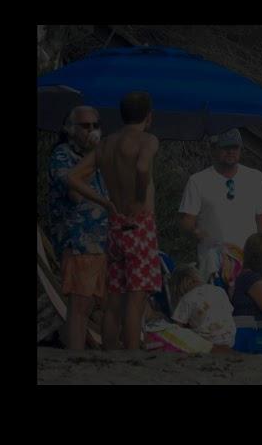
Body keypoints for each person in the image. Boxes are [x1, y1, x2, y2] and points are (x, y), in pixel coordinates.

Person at [68, 91, 161, 351]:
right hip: (139, 225)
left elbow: (73, 177)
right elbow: (142, 168)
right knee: (136, 299)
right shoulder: (147, 139)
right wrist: (141, 198)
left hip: (115, 226)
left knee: (115, 299)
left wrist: (104, 201)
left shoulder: (106, 144)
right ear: (149, 117)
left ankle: (109, 356)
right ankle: (131, 356)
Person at [48, 105, 109, 350]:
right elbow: (74, 194)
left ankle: (78, 349)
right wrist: (91, 158)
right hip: (78, 240)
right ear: (70, 129)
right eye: (85, 126)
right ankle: (74, 354)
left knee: (90, 304)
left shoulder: (96, 158)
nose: (92, 131)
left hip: (100, 241)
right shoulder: (62, 156)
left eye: (95, 126)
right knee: (79, 305)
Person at [178, 128, 262, 280]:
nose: (231, 151)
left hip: (250, 264)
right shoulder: (197, 181)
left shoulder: (255, 177)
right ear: (213, 149)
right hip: (214, 266)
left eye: (235, 147)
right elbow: (186, 222)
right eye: (226, 147)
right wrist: (196, 231)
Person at [168, 264, 236, 349]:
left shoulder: (187, 299)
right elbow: (229, 311)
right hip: (230, 338)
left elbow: (177, 327)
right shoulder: (219, 290)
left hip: (207, 341)